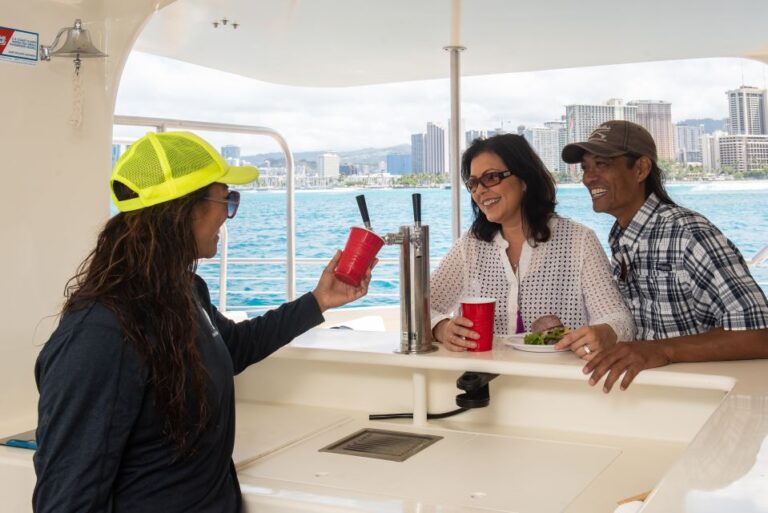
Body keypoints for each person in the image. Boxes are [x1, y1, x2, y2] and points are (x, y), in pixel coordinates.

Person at [33, 132, 374, 513]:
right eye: (227, 199)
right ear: (186, 208)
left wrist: (318, 301)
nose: (229, 215)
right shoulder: (100, 334)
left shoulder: (183, 290)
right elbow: (66, 500)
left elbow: (230, 346)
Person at [561, 120, 768, 392]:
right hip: (654, 400)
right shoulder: (621, 236)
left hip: (701, 400)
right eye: (586, 168)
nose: (588, 178)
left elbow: (760, 335)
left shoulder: (687, 232)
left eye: (602, 165)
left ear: (641, 169)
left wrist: (661, 350)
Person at [430, 134, 635, 355]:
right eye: (473, 183)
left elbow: (619, 320)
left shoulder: (578, 241)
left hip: (555, 381)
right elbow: (420, 308)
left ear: (525, 179)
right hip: (486, 380)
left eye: (491, 178)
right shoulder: (470, 245)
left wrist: (603, 333)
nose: (479, 191)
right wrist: (441, 328)